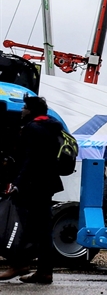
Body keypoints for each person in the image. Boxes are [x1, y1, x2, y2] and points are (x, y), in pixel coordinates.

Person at [0, 96, 64, 285]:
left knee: (19, 225)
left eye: (25, 108)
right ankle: (44, 272)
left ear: (32, 110)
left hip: (31, 186)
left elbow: (29, 159)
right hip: (47, 184)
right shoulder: (54, 126)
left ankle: (19, 264)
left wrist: (17, 183)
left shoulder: (32, 129)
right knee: (42, 229)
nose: (22, 111)